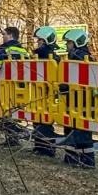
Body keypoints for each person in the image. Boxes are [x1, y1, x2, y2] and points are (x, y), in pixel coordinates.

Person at [57, 29, 95, 168]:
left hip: (83, 101)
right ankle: (71, 157)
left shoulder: (82, 58)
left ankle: (87, 161)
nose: (67, 45)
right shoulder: (73, 57)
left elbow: (81, 81)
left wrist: (65, 87)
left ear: (77, 42)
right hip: (74, 100)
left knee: (82, 131)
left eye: (69, 42)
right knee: (71, 128)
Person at [31, 26, 61, 157]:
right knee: (39, 119)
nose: (38, 43)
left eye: (40, 40)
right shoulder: (41, 55)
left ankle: (47, 149)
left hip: (47, 94)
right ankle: (40, 146)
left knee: (45, 120)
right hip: (40, 93)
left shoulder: (50, 57)